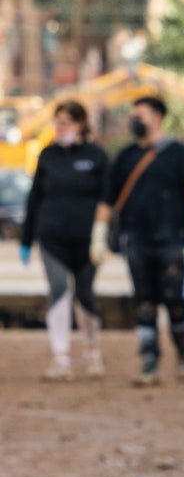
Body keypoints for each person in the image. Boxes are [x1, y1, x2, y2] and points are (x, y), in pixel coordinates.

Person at [103, 95, 184, 386]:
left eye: (141, 114)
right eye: (133, 114)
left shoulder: (178, 154)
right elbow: (107, 200)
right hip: (136, 241)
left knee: (175, 300)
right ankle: (149, 363)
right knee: (144, 302)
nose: (135, 120)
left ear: (158, 117)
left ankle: (183, 353)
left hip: (171, 241)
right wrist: (97, 236)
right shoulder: (125, 157)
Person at [20, 100, 109, 381]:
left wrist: (103, 234)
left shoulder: (97, 156)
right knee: (58, 290)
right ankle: (61, 357)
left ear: (80, 124)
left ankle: (92, 351)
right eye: (57, 121)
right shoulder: (47, 156)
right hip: (52, 238)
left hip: (86, 239)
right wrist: (26, 238)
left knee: (84, 294)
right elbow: (34, 198)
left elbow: (107, 197)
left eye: (66, 122)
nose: (60, 127)